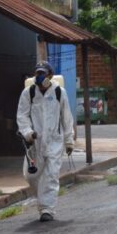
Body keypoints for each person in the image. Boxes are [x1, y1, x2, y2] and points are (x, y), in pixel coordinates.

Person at [16, 61, 75, 222]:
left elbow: (66, 117)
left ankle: (46, 209)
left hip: (54, 142)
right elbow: (22, 116)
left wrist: (69, 140)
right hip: (35, 143)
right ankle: (43, 201)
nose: (40, 77)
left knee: (51, 176)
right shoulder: (28, 93)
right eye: (37, 73)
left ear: (50, 75)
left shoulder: (59, 92)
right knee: (30, 176)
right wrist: (28, 133)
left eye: (43, 73)